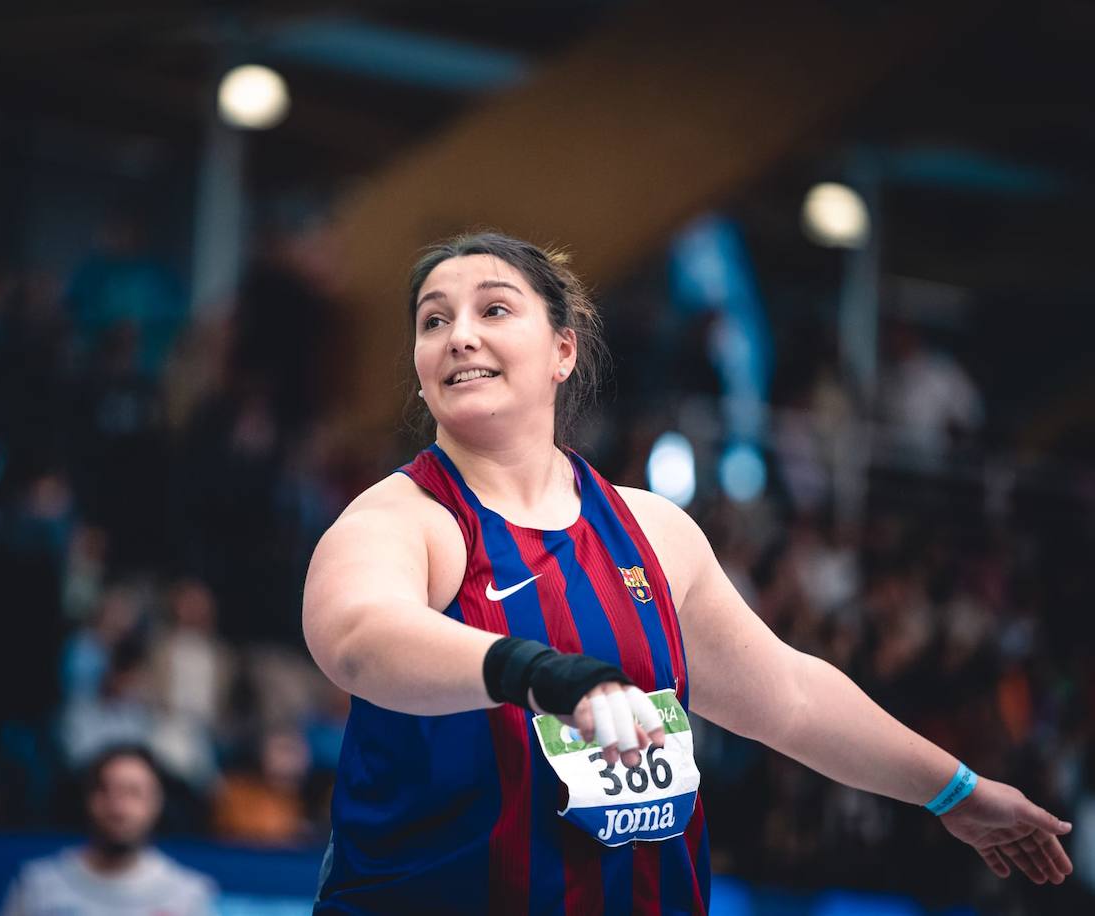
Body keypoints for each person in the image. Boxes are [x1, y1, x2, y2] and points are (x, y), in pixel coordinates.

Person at [302, 232, 1074, 914]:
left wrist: (955, 790)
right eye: (434, 320)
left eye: (493, 311)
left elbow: (792, 697)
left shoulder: (654, 532)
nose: (458, 335)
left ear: (564, 350)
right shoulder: (405, 519)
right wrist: (541, 674)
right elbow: (358, 640)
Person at [0, 745, 216, 916]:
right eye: (105, 790)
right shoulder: (38, 886)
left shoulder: (189, 894)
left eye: (134, 793)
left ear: (157, 803)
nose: (118, 807)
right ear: (88, 799)